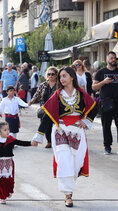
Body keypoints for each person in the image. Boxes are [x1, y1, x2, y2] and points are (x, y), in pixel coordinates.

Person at [32, 66, 97, 207]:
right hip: (60, 131)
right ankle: (68, 195)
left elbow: (94, 108)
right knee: (64, 161)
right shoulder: (57, 95)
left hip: (78, 132)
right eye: (60, 76)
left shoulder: (81, 94)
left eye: (64, 76)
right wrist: (39, 135)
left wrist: (86, 121)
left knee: (76, 163)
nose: (61, 79)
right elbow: (47, 116)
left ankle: (69, 187)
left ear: (72, 77)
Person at [92, 51, 118, 155]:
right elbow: (94, 87)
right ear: (107, 60)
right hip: (106, 102)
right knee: (106, 125)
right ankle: (107, 146)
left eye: (115, 58)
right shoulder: (101, 72)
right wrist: (104, 82)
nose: (113, 60)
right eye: (111, 58)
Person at [29, 66, 58, 148]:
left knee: (55, 126)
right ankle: (49, 141)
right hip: (45, 107)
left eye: (52, 74)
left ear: (56, 75)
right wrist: (32, 100)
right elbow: (37, 94)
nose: (50, 76)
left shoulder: (59, 84)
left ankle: (56, 141)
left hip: (56, 108)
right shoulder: (43, 85)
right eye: (49, 74)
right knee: (46, 125)